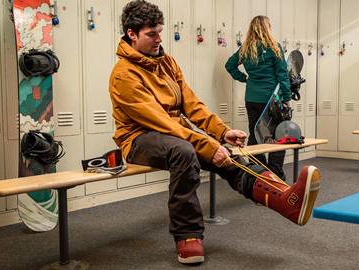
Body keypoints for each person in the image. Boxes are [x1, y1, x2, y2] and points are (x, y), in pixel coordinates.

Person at [109, 0, 321, 265]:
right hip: (140, 138)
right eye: (151, 34)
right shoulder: (123, 74)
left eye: (159, 32)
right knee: (184, 151)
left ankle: (285, 200)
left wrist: (221, 133)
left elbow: (192, 105)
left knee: (228, 154)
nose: (158, 39)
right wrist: (207, 145)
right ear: (132, 34)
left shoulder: (167, 62)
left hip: (174, 133)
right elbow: (161, 122)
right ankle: (187, 235)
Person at [225, 15, 291, 180]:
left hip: (252, 99)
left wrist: (244, 78)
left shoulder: (246, 49)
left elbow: (229, 65)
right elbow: (282, 74)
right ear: (267, 28)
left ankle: (260, 174)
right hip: (272, 100)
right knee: (277, 137)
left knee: (255, 136)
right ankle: (276, 175)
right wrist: (287, 97)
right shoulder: (274, 47)